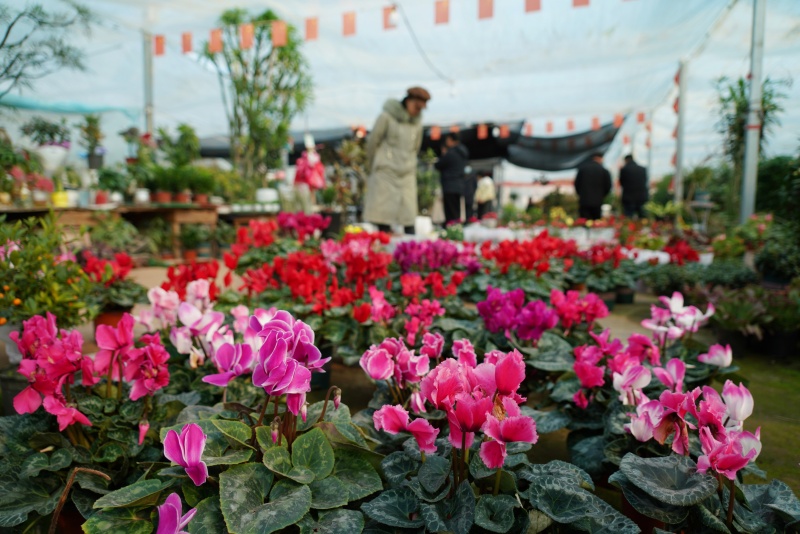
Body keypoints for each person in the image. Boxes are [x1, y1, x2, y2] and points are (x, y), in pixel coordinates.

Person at [363, 86, 430, 235]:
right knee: (383, 217)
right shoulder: (386, 117)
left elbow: (416, 148)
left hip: (406, 173)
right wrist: (376, 164)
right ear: (408, 101)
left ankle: (411, 252)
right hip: (386, 173)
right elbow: (373, 142)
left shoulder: (417, 123)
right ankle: (384, 252)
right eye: (416, 106)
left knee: (409, 216)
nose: (417, 111)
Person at [434, 132, 470, 225]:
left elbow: (438, 165)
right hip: (459, 186)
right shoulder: (463, 153)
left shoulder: (451, 153)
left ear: (450, 140)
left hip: (449, 186)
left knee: (450, 214)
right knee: (456, 212)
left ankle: (451, 232)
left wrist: (443, 154)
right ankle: (456, 230)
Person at [574, 152, 611, 220]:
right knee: (596, 224)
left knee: (584, 222)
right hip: (597, 201)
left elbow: (577, 184)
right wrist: (602, 195)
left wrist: (581, 195)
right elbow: (608, 186)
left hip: (584, 201)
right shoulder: (604, 171)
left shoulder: (582, 169)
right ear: (600, 158)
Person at [619, 154, 649, 219]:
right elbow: (645, 181)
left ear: (626, 160)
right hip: (641, 197)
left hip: (628, 198)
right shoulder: (642, 169)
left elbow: (622, 183)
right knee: (643, 217)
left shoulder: (624, 170)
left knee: (628, 218)